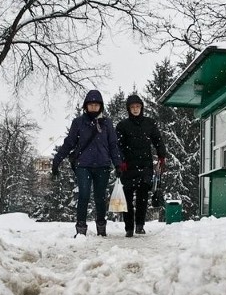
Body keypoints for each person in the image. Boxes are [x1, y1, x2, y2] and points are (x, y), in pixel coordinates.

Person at [52, 90, 122, 237]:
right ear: (86, 106)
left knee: (100, 198)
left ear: (101, 107)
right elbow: (69, 143)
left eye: (96, 105)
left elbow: (113, 145)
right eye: (91, 105)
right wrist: (57, 160)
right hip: (83, 165)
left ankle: (101, 227)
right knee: (83, 195)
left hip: (102, 165)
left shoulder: (107, 123)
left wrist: (118, 164)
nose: (93, 107)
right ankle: (81, 229)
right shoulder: (78, 123)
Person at [116, 94, 167, 237]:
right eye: (132, 107)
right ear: (128, 109)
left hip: (145, 165)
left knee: (142, 197)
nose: (135, 109)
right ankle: (129, 227)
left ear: (142, 107)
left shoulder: (149, 123)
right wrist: (121, 161)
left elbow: (158, 140)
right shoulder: (122, 125)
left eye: (138, 106)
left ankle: (140, 225)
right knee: (127, 197)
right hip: (128, 166)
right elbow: (117, 146)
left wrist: (162, 156)